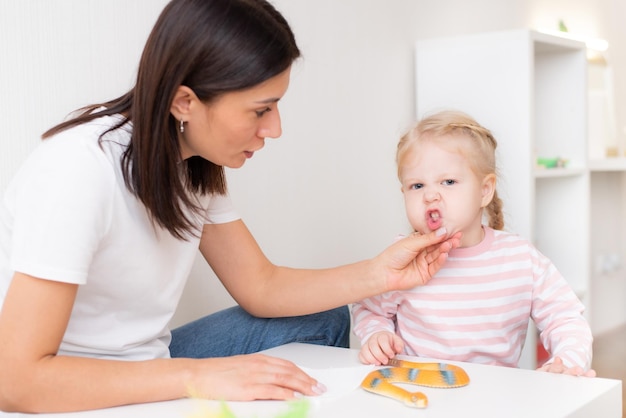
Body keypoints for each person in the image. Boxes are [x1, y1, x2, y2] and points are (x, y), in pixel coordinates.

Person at [0, 0, 461, 414]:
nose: (275, 128)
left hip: (152, 359)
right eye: (261, 109)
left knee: (322, 319)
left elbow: (261, 286)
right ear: (185, 101)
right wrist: (199, 377)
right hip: (67, 379)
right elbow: (15, 381)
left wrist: (381, 274)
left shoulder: (191, 163)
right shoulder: (78, 171)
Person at [352, 110, 595, 377]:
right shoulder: (401, 258)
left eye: (448, 182)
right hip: (418, 389)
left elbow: (565, 318)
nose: (431, 195)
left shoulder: (520, 258)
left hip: (494, 398)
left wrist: (566, 362)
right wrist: (377, 335)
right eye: (417, 186)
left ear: (484, 190)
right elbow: (369, 309)